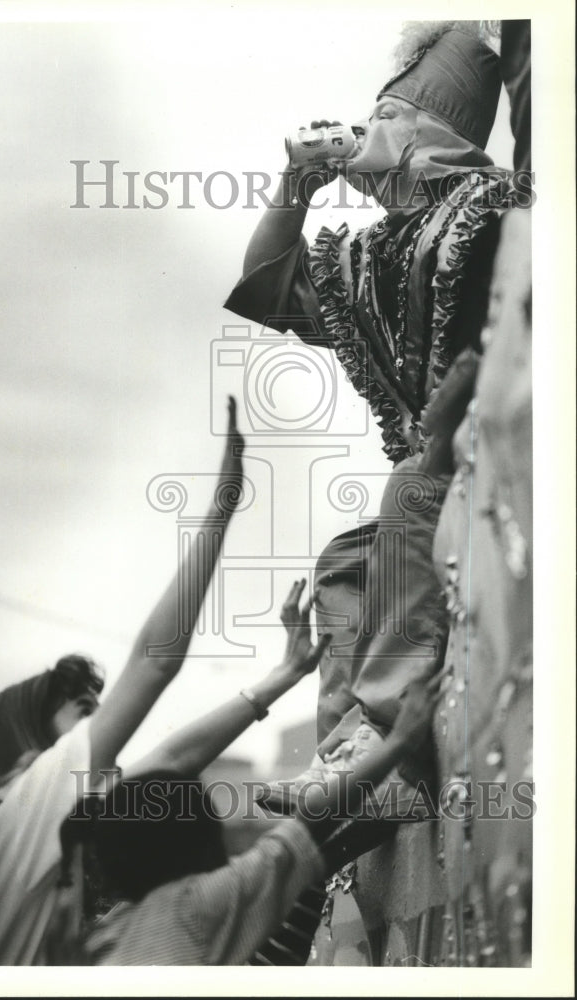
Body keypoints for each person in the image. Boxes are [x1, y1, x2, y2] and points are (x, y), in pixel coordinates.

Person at [223, 21, 514, 802]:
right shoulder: (371, 254)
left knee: (412, 488)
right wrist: (295, 186)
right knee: (348, 560)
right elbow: (267, 290)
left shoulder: (493, 209)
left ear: (430, 132)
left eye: (385, 116)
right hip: (432, 465)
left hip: (502, 451)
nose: (360, 130)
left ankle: (387, 736)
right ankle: (351, 762)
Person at [0, 400, 331, 965]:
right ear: (32, 747)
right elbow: (154, 665)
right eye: (86, 712)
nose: (108, 723)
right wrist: (220, 511)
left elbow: (174, 758)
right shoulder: (23, 808)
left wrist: (284, 675)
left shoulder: (35, 833)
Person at [74, 675, 439, 965]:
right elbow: (310, 826)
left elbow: (304, 854)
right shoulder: (188, 908)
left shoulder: (103, 939)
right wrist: (398, 742)